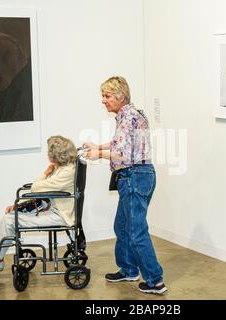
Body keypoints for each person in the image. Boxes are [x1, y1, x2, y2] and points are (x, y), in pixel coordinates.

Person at [84, 76, 167, 294]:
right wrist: (98, 146)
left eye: (107, 96)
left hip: (134, 177)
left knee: (136, 230)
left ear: (120, 97)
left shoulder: (127, 116)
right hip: (141, 174)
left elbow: (121, 154)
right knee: (122, 226)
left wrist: (97, 154)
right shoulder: (130, 114)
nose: (103, 100)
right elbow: (119, 144)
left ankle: (155, 280)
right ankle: (129, 269)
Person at [0, 135, 77, 281]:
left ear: (54, 155)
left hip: (60, 216)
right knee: (11, 217)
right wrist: (19, 206)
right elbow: (40, 191)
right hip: (54, 210)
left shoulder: (65, 173)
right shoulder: (65, 169)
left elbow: (36, 188)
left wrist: (45, 174)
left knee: (10, 221)